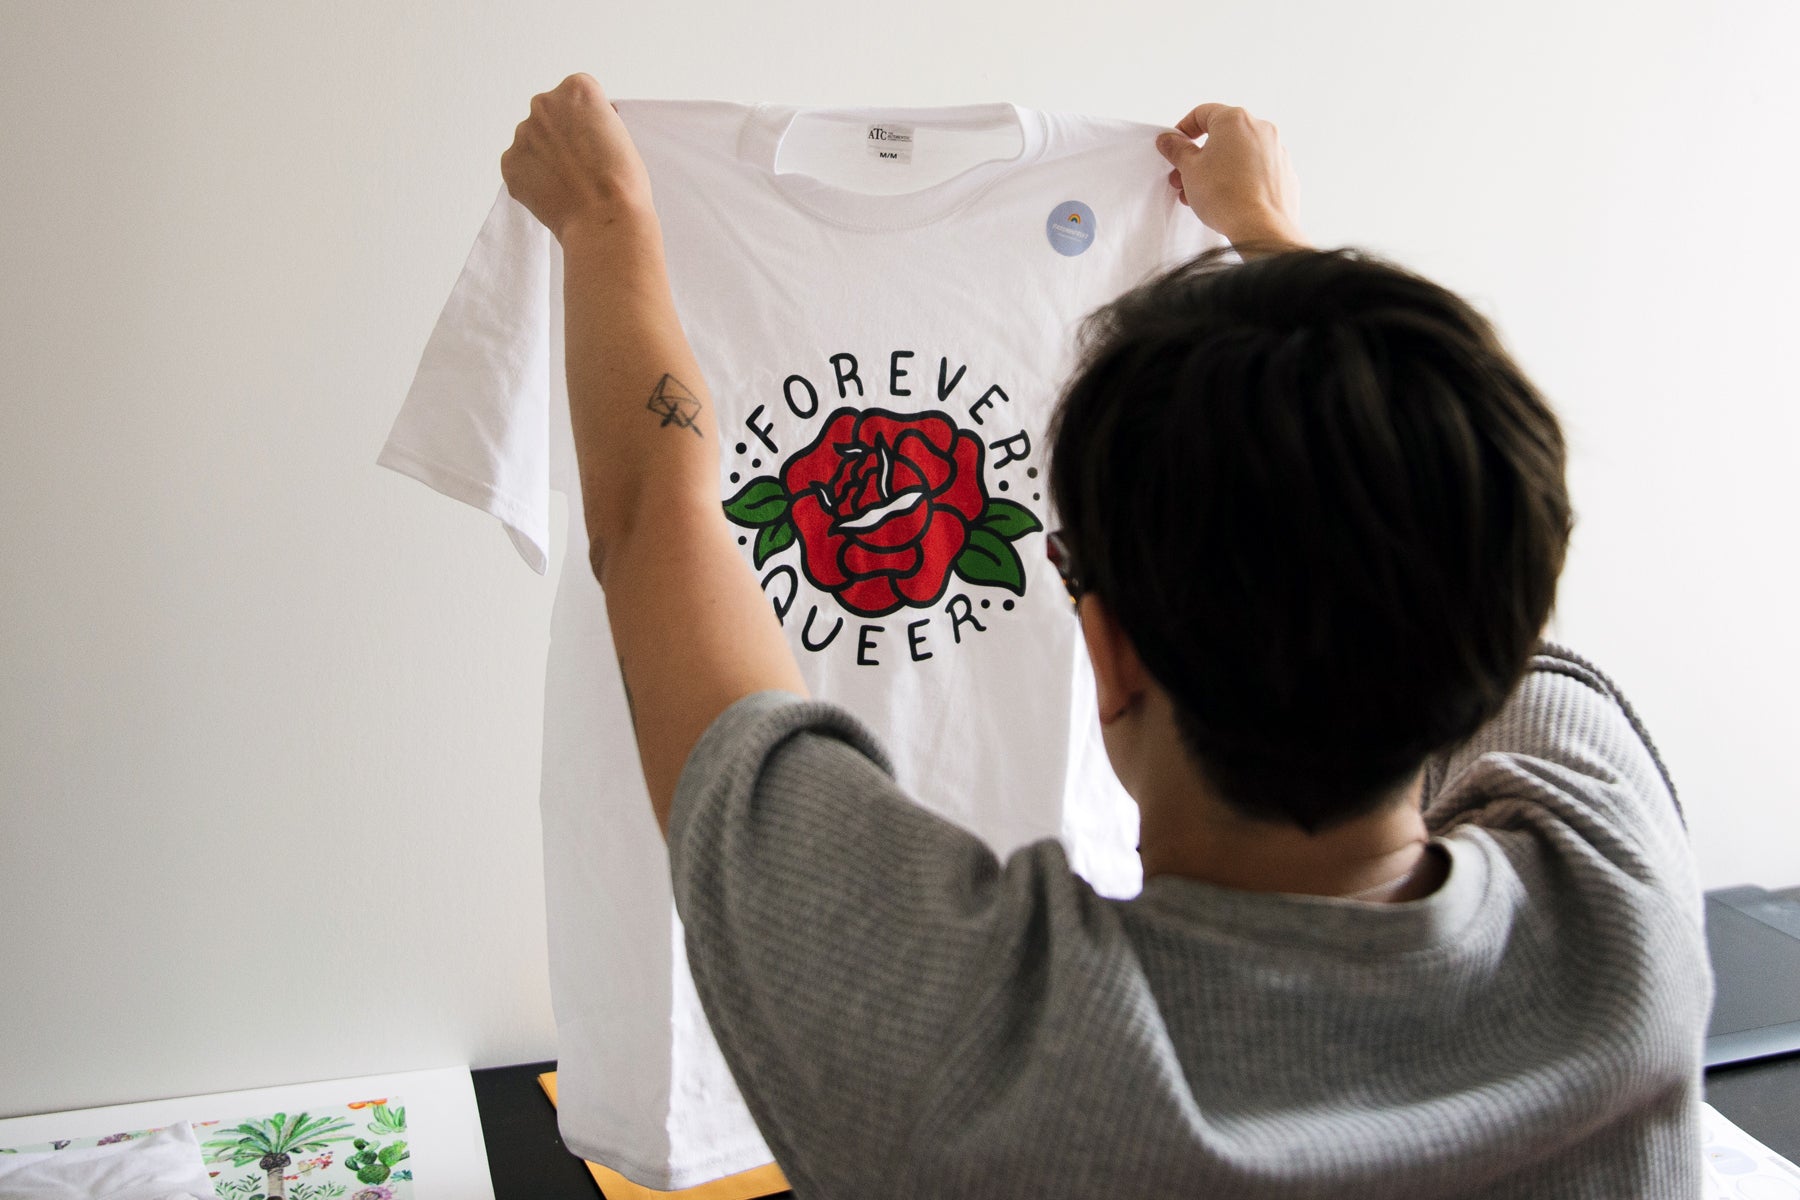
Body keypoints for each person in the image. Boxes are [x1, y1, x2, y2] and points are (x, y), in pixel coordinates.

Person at [499, 75, 1711, 1197]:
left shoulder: (968, 1039)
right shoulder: (1625, 910)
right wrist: (1273, 239)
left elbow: (656, 521)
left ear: (1110, 650)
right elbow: (1469, 529)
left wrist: (606, 222)